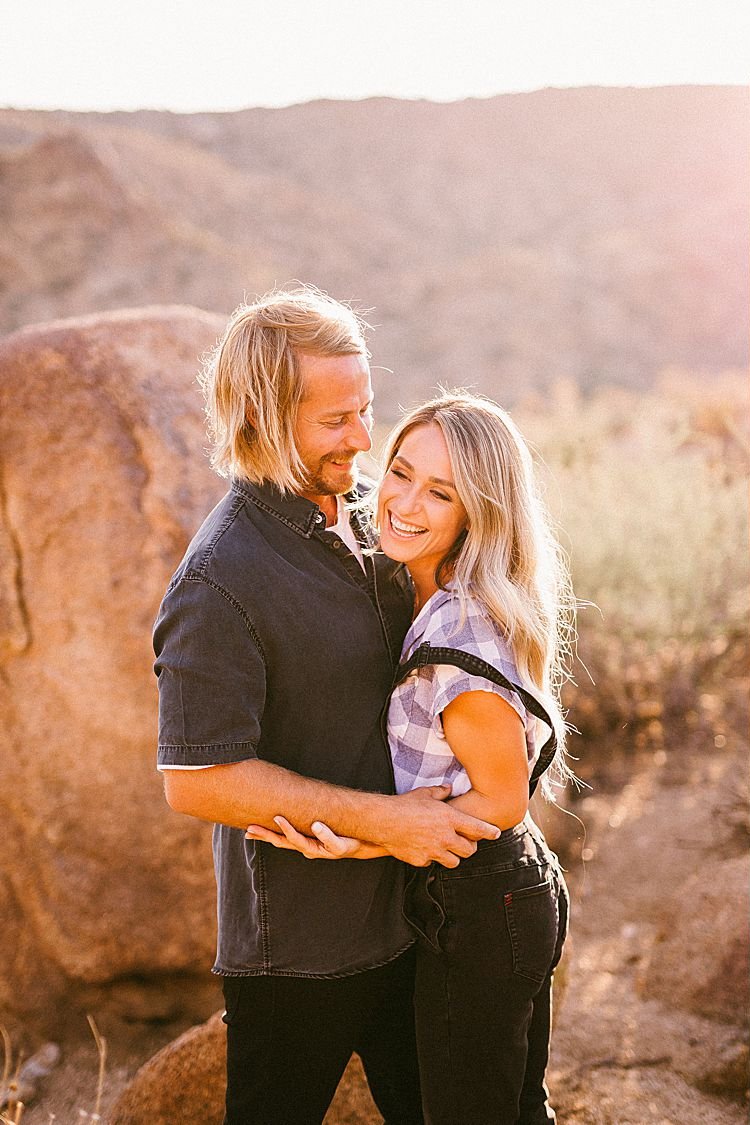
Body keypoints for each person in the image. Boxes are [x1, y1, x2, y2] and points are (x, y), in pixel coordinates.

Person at [153, 287, 502, 1125]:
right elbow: (197, 778)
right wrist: (389, 821)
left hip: (411, 919)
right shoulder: (219, 579)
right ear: (264, 420)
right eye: (335, 420)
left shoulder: (367, 516)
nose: (362, 439)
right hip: (296, 951)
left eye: (365, 410)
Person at [248, 391, 573, 1125]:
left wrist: (365, 833)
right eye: (400, 471)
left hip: (487, 903)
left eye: (441, 492)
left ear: (477, 514)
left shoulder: (456, 639)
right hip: (483, 897)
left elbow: (502, 799)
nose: (403, 501)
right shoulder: (423, 596)